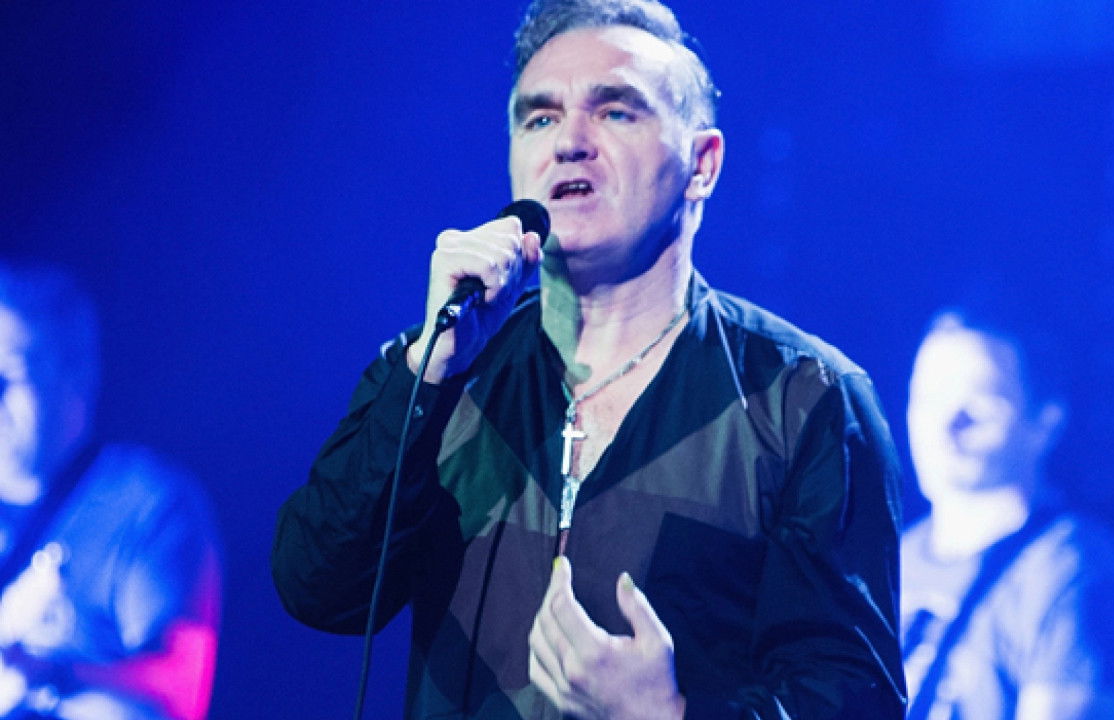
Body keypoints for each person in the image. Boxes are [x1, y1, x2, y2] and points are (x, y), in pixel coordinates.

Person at [271, 1, 906, 718]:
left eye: (615, 112)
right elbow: (319, 588)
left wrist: (668, 715)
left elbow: (851, 699)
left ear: (701, 165)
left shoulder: (803, 399)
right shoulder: (436, 371)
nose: (569, 143)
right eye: (539, 119)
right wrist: (430, 373)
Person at [899, 307, 1114, 720]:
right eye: (928, 399)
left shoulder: (1072, 572)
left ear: (1045, 423)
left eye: (979, 407)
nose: (944, 427)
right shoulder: (889, 562)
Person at [0, 262, 221, 720]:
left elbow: (179, 689)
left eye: (8, 376)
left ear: (76, 377)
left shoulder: (148, 504)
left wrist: (45, 676)